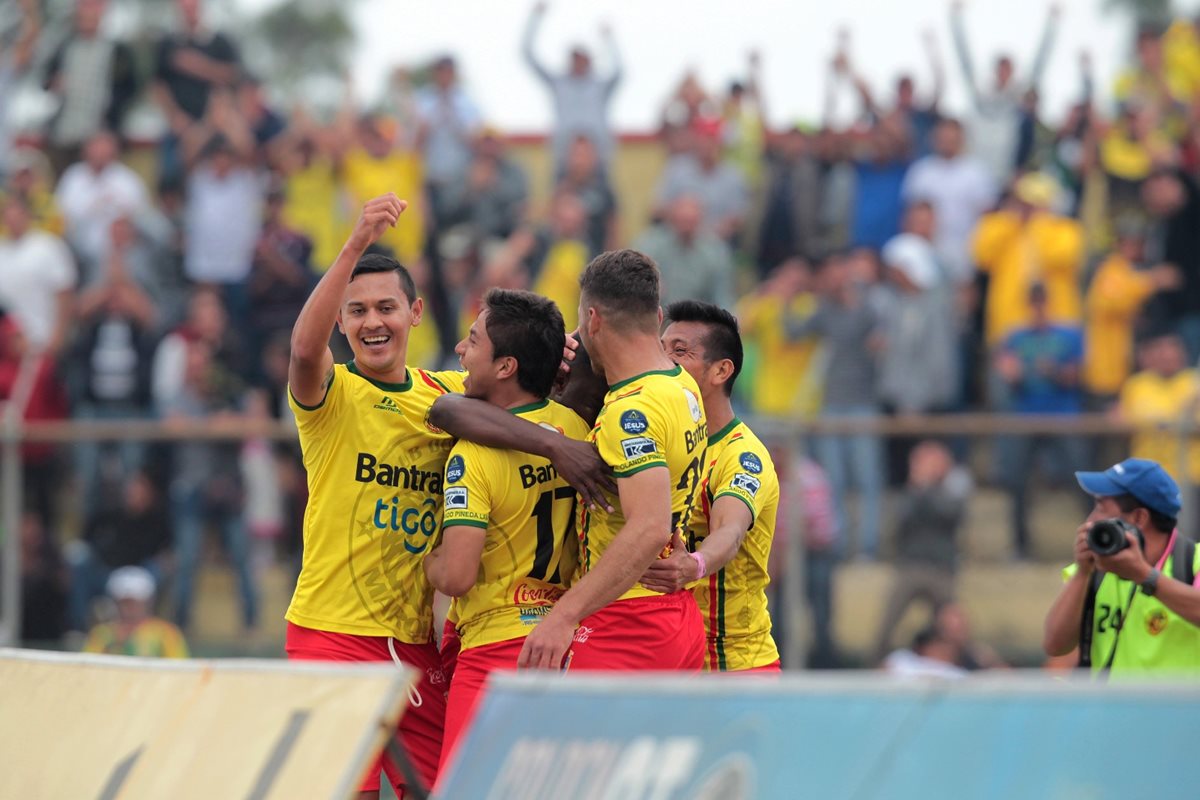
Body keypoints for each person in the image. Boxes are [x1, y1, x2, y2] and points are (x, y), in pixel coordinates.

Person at [284, 195, 607, 797]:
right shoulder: (333, 393)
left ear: (415, 312)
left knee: (445, 785)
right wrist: (353, 243)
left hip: (412, 640)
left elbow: (514, 391)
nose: (371, 322)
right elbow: (304, 352)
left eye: (386, 307)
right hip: (333, 633)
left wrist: (556, 364)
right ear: (339, 321)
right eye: (355, 311)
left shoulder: (451, 388)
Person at [517, 249, 708, 671]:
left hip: (627, 621)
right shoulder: (682, 385)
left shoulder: (630, 410)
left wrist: (563, 616)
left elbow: (649, 526)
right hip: (675, 616)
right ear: (657, 317)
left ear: (593, 321)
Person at [424, 289, 590, 773]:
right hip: (564, 645)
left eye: (473, 340)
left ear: (505, 367)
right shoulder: (576, 429)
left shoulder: (474, 453)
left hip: (495, 654)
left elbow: (456, 576)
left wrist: (425, 559)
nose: (459, 349)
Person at [640, 301, 781, 672]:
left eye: (681, 352)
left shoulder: (743, 455)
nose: (665, 362)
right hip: (669, 657)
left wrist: (694, 564)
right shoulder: (663, 440)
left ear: (722, 370)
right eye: (662, 349)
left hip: (733, 665)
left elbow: (730, 532)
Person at [1044, 458, 1200, 675]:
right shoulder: (1094, 569)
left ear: (1138, 517)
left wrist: (1143, 575)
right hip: (1109, 709)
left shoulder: (1193, 562)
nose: (1090, 519)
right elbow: (1055, 645)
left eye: (1100, 508)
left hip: (1179, 709)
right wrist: (1082, 573)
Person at [872, 441, 971, 662]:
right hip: (910, 567)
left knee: (953, 623)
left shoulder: (954, 486)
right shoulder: (908, 491)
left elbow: (950, 515)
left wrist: (927, 487)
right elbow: (900, 520)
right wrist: (917, 488)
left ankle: (965, 663)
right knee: (887, 623)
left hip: (942, 569)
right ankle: (874, 665)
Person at [522, 1, 622, 175]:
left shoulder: (600, 86)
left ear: (589, 61)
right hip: (563, 159)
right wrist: (536, 17)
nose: (578, 63)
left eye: (581, 58)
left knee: (602, 201)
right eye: (575, 58)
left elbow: (620, 72)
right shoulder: (558, 82)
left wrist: (609, 38)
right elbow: (528, 53)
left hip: (598, 159)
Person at [83, 566, 189, 658]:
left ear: (148, 601)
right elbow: (88, 666)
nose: (129, 608)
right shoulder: (102, 634)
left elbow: (180, 670)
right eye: (124, 602)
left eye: (134, 602)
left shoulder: (166, 633)